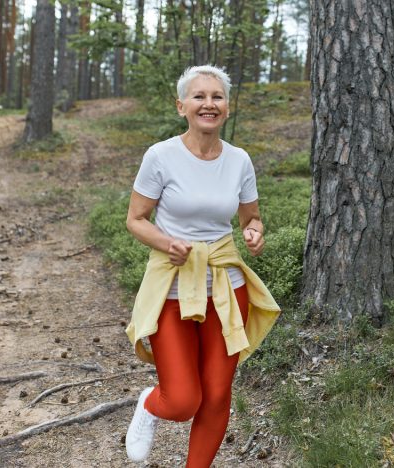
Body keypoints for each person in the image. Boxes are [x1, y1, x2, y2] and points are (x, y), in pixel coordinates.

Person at [124, 65, 281, 467]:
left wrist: (254, 234)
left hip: (227, 288)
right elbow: (136, 219)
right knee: (181, 400)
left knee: (216, 395)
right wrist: (167, 243)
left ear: (227, 107)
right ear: (182, 106)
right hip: (174, 288)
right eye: (199, 96)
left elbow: (251, 218)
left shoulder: (240, 160)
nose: (209, 104)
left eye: (217, 96)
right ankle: (149, 403)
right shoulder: (161, 156)